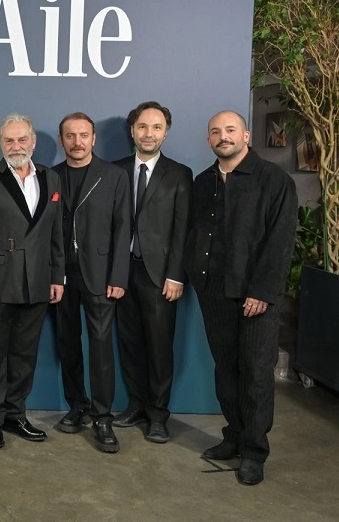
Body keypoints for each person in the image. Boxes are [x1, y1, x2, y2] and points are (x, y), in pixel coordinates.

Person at [186, 111, 297, 486]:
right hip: (213, 289)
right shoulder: (203, 182)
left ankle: (254, 451)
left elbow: (280, 241)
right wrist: (196, 277)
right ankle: (233, 435)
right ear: (209, 140)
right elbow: (195, 233)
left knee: (255, 373)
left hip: (255, 294)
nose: (223, 136)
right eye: (215, 131)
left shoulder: (274, 180)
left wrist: (262, 292)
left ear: (246, 136)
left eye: (230, 130)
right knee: (226, 370)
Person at [0, 113, 65, 449]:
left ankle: (15, 414)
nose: (16, 146)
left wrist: (57, 276)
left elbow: (56, 233)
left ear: (33, 142)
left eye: (22, 139)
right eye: (9, 140)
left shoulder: (51, 178)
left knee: (25, 354)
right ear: (1, 143)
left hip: (38, 281)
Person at [112, 102, 192, 444]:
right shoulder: (115, 170)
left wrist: (176, 275)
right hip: (122, 272)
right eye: (142, 126)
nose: (149, 133)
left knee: (159, 347)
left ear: (166, 132)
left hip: (160, 276)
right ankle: (136, 405)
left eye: (156, 127)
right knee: (129, 343)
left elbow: (183, 229)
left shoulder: (179, 174)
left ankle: (158, 415)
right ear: (132, 131)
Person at [51, 112, 131, 453]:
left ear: (93, 139)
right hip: (61, 277)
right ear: (61, 140)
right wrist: (52, 275)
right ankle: (77, 405)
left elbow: (123, 228)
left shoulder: (113, 176)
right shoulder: (50, 176)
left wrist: (118, 275)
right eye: (70, 135)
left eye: (84, 135)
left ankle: (102, 417)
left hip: (100, 274)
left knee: (100, 347)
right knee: (67, 343)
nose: (77, 141)